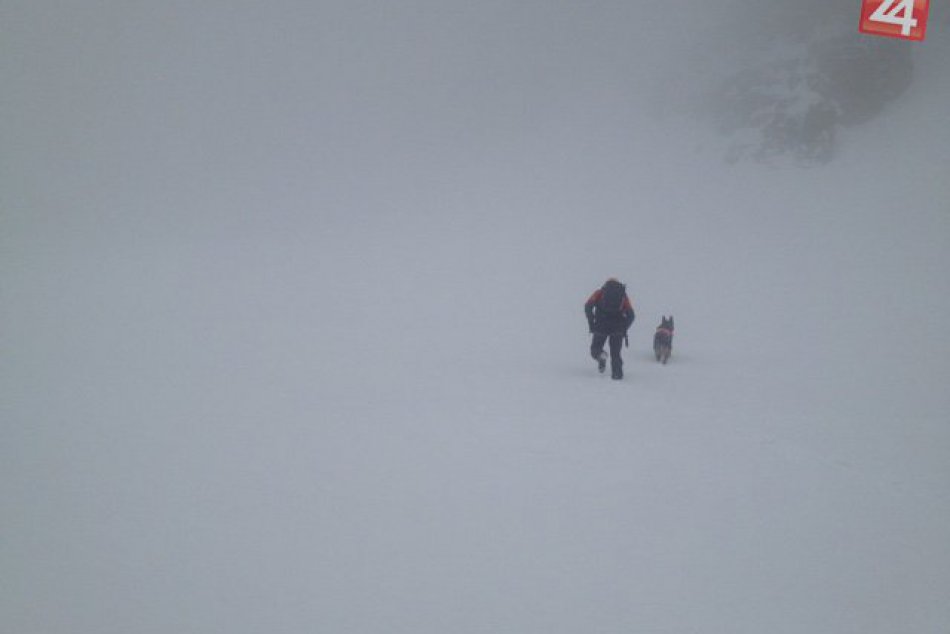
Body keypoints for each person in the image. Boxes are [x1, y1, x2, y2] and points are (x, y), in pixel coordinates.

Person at [584, 278, 635, 379]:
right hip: (617, 329)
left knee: (595, 349)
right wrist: (624, 328)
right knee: (615, 354)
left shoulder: (599, 292)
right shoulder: (623, 296)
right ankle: (617, 375)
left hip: (600, 326)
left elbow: (588, 305)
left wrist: (591, 322)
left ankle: (601, 356)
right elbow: (631, 315)